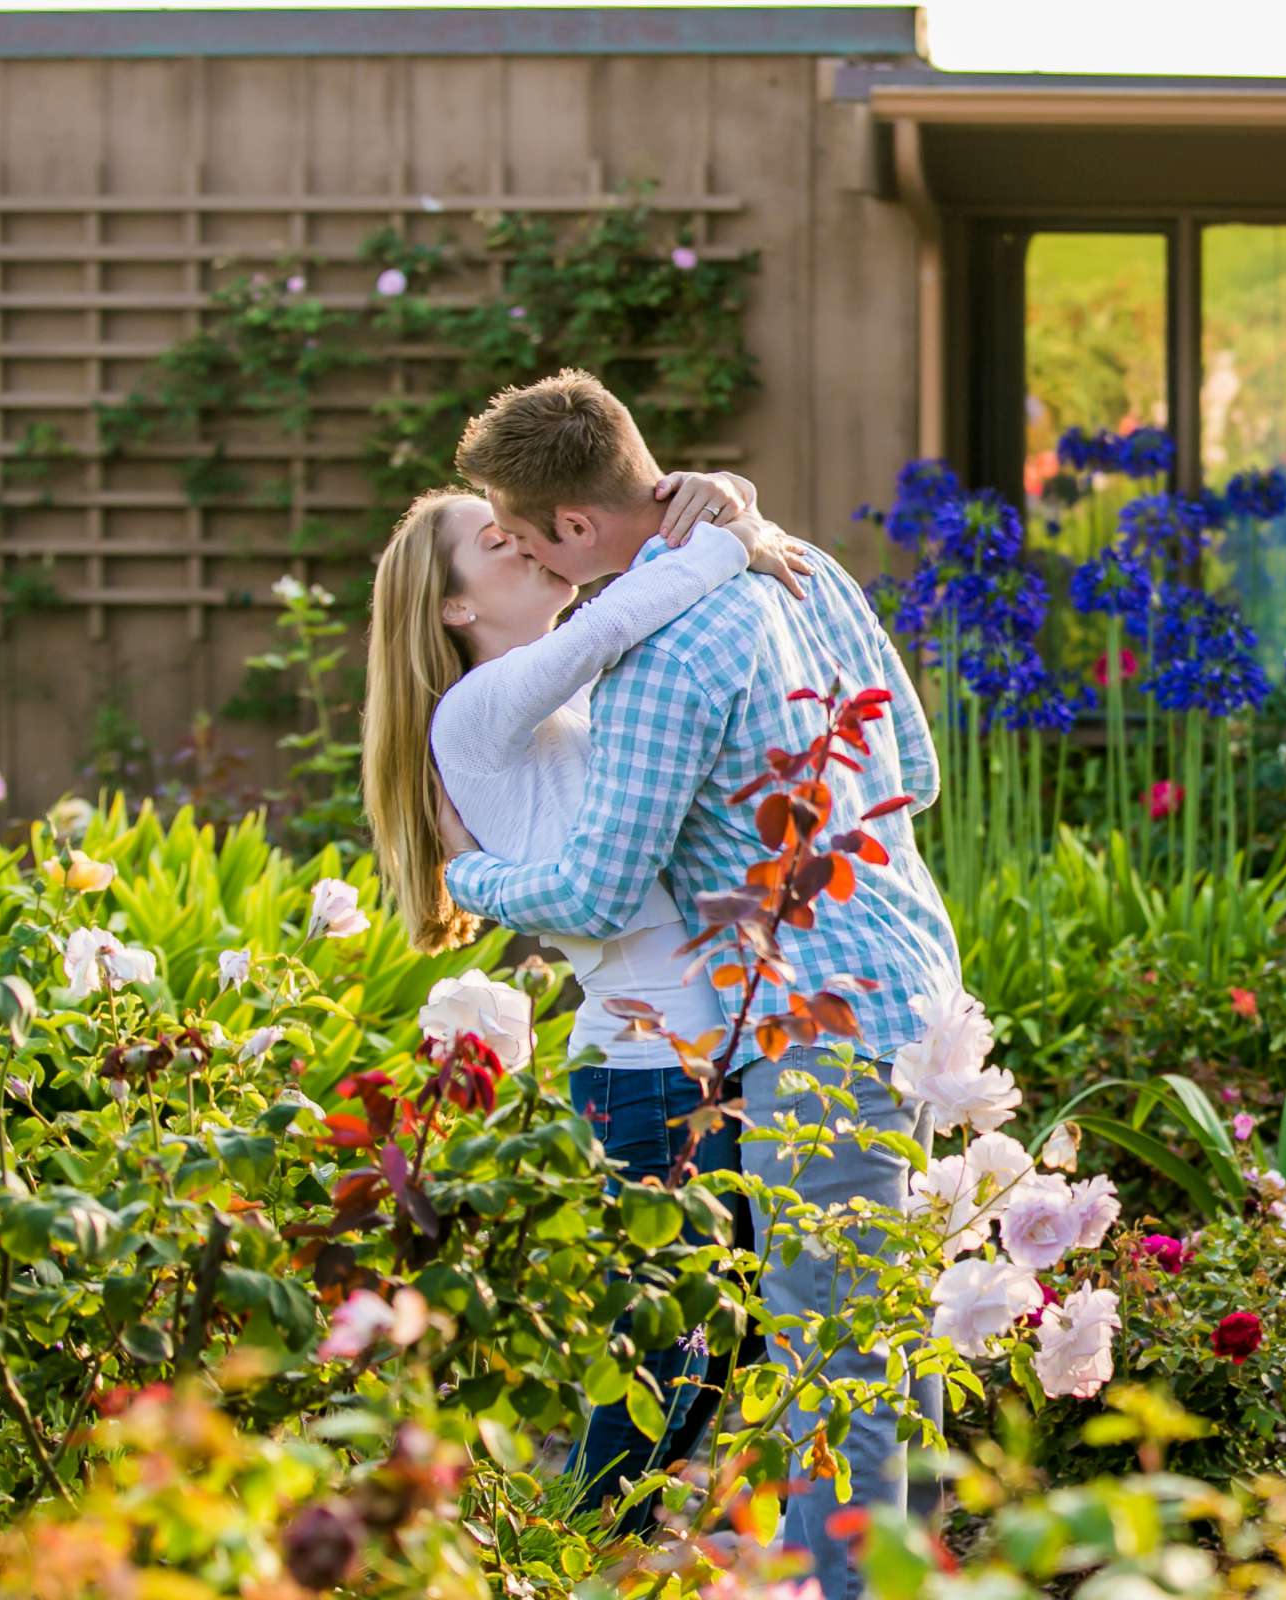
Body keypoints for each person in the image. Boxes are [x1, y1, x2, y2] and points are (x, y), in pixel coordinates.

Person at [435, 369, 958, 1600]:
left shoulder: (660, 657)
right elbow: (918, 772)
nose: (514, 546)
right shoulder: (800, 564)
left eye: (517, 526)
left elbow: (604, 891)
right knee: (890, 1333)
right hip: (918, 985)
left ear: (573, 526)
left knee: (831, 1360)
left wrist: (482, 876)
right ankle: (916, 1575)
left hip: (808, 1024)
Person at [359, 467, 814, 1533]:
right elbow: (627, 610)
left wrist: (716, 493)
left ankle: (567, 1545)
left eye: (517, 529)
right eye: (493, 541)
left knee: (716, 1334)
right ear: (455, 608)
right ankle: (555, 1550)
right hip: (650, 1069)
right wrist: (729, 526)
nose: (521, 542)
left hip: (693, 1052)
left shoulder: (555, 702)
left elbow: (635, 614)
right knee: (677, 1343)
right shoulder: (475, 709)